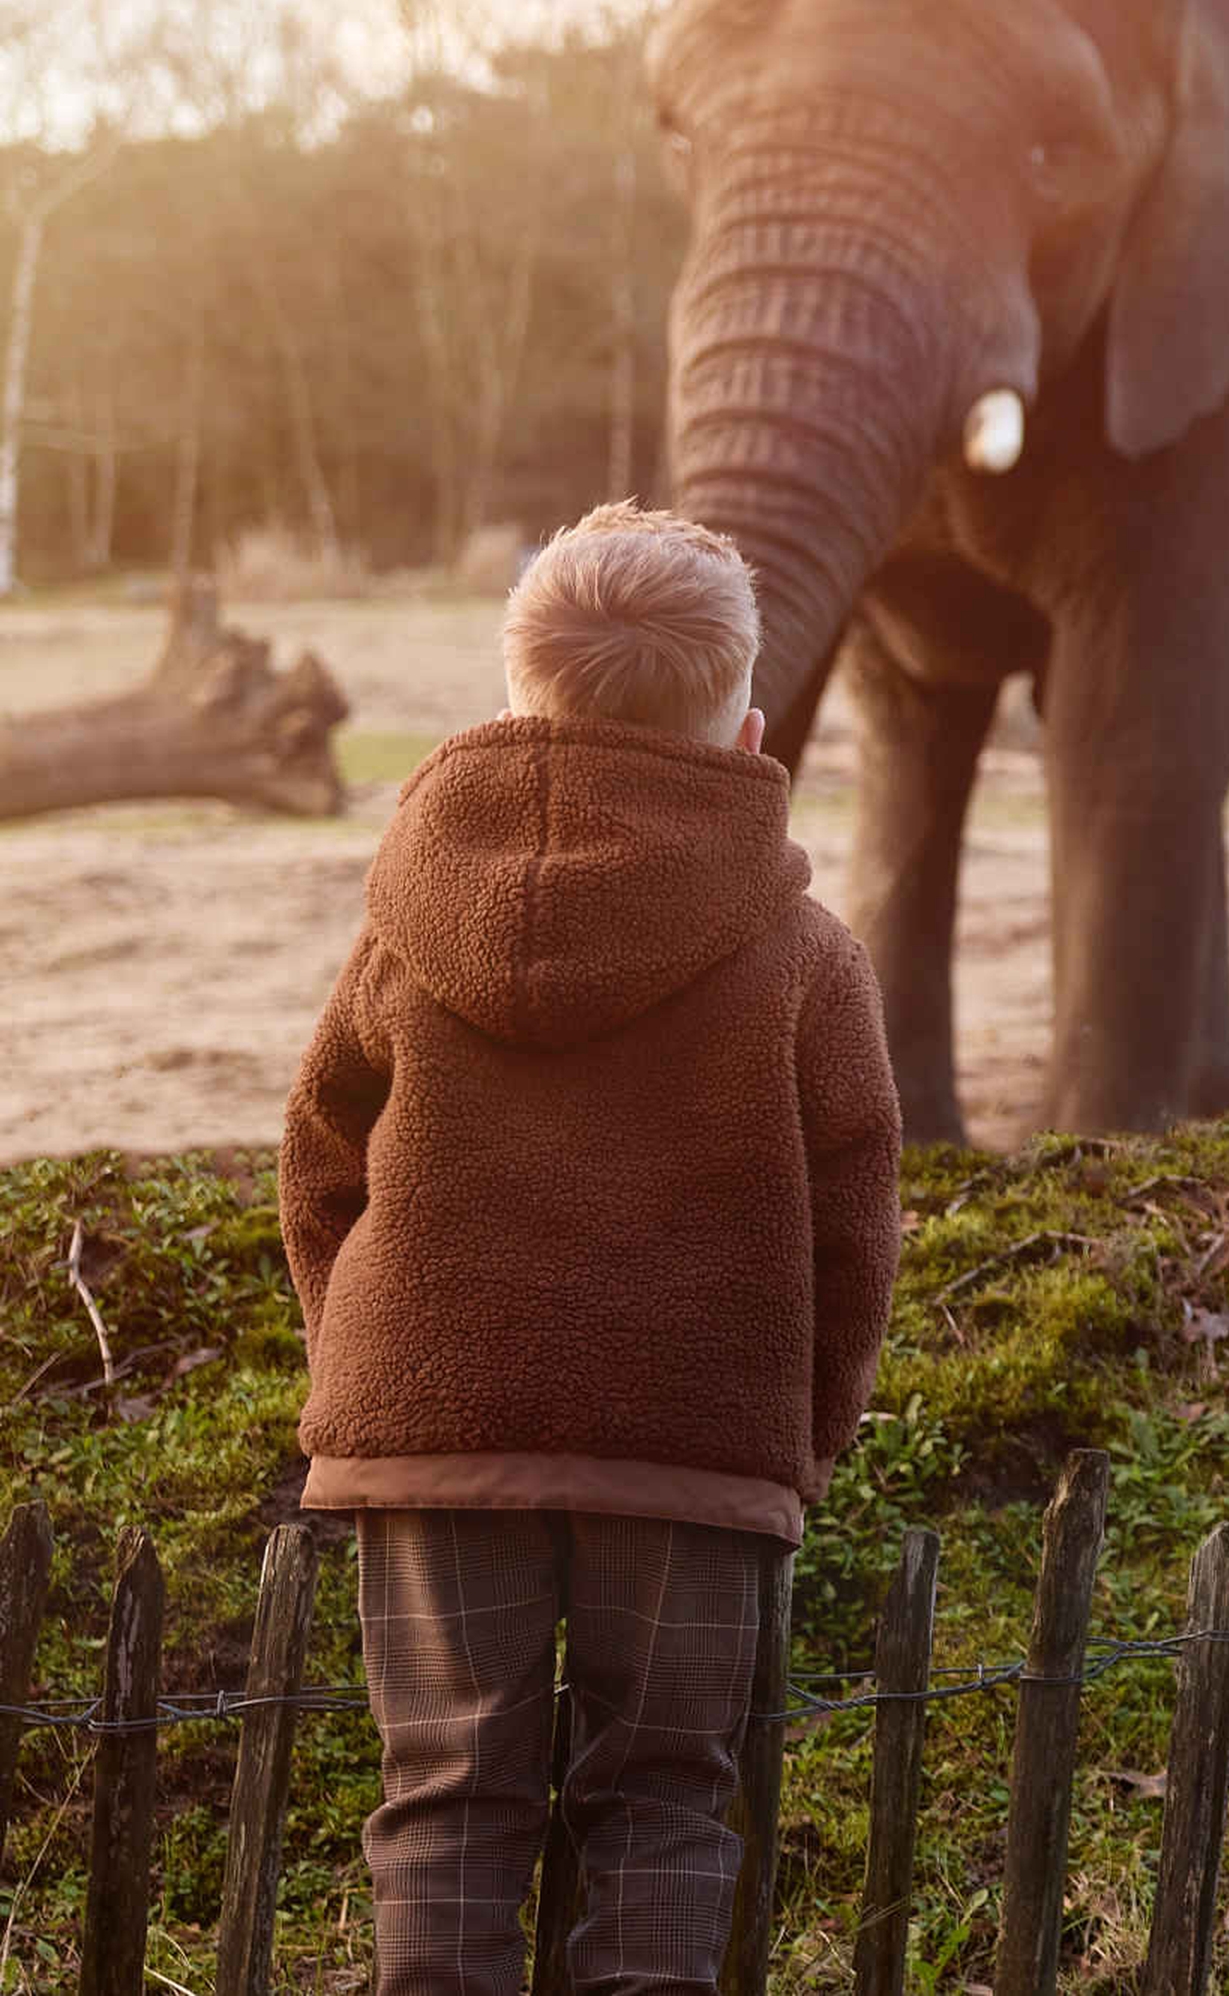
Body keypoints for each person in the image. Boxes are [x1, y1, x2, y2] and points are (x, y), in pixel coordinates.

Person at [279, 501, 902, 1996]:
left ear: (513, 705)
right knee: (663, 1807)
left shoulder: (408, 922)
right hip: (692, 1447)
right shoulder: (805, 956)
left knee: (444, 1808)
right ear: (747, 727)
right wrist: (796, 1435)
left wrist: (368, 1360)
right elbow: (855, 1219)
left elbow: (320, 1154)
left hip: (435, 1435)